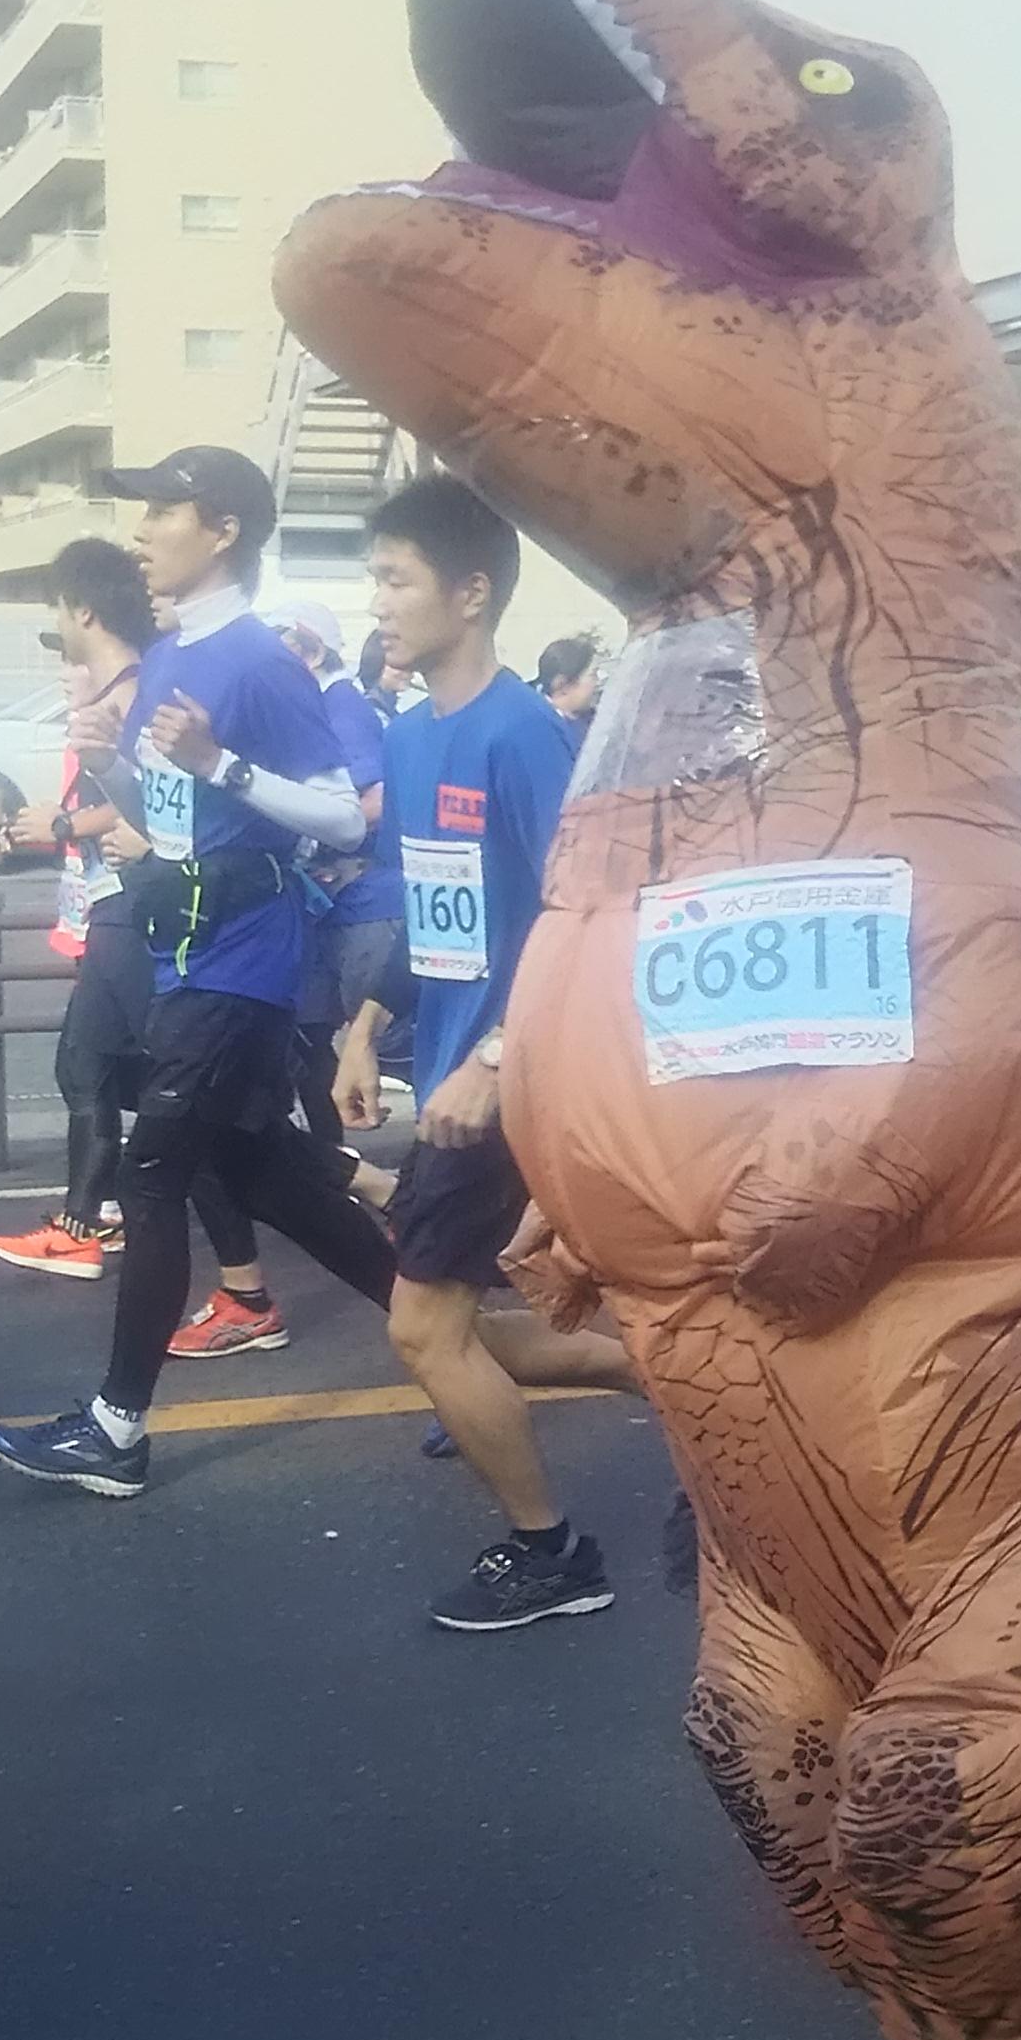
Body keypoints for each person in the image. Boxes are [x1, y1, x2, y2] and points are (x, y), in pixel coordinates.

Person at [0, 447, 400, 1499]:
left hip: (244, 958)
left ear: (222, 531)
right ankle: (438, 1322)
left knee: (155, 1173)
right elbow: (166, 815)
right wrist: (112, 769)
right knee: (262, 1173)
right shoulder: (171, 654)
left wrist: (223, 763)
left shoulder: (260, 662)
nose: (141, 534)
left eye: (162, 513)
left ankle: (116, 1430)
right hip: (184, 952)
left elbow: (343, 816)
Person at [333, 475, 615, 1631]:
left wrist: (495, 1061)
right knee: (457, 1328)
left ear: (472, 592)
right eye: (376, 580)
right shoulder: (410, 737)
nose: (379, 603)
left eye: (395, 580)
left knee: (422, 1329)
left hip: (509, 1080)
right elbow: (434, 912)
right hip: (447, 1069)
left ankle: (554, 1554)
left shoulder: (522, 733)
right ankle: (678, 1380)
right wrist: (365, 1030)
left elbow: (576, 912)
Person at [0, 535, 286, 1342]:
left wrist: (64, 824)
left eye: (58, 611)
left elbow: (164, 806)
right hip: (116, 910)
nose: (57, 635)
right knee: (98, 1073)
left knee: (171, 1104)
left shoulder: (138, 694)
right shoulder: (122, 691)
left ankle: (258, 1275)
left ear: (83, 610)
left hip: (139, 908)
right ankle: (90, 1225)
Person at [270, 593, 390, 1182]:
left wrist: (304, 827)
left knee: (385, 1043)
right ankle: (333, 1171)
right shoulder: (313, 706)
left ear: (312, 651)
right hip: (326, 902)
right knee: (309, 1041)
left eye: (281, 650)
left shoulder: (342, 707)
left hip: (362, 901)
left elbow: (375, 799)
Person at [535, 632, 604, 758]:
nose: (598, 681)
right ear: (563, 685)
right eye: (592, 675)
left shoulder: (592, 716)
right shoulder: (547, 734)